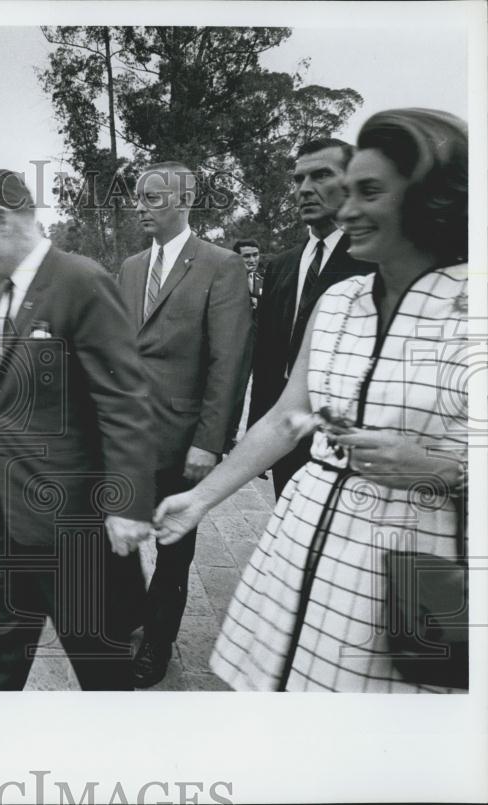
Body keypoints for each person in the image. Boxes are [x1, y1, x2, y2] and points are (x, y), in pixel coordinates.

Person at [151, 108, 469, 692]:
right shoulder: (342, 300)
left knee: (389, 715)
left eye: (368, 193)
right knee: (290, 693)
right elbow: (287, 418)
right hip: (305, 538)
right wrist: (199, 500)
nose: (345, 211)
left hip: (415, 555)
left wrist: (445, 469)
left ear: (432, 200)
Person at [0, 170, 156, 690]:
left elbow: (126, 401)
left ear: (3, 221)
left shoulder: (79, 281)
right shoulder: (2, 290)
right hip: (6, 520)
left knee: (102, 669)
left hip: (71, 530)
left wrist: (129, 505)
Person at [118, 162, 254, 688]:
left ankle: (158, 641)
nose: (140, 206)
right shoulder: (131, 267)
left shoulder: (220, 265)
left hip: (182, 440)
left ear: (185, 200)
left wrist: (209, 442)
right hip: (128, 437)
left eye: (152, 198)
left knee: (175, 551)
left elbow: (229, 361)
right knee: (116, 535)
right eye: (137, 198)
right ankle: (129, 616)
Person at [249, 139, 376, 498]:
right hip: (287, 434)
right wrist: (258, 427)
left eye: (321, 175)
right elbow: (267, 356)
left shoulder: (375, 262)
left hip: (347, 440)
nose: (305, 189)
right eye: (298, 179)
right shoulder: (282, 265)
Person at [233, 238, 265, 312]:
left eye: (255, 255)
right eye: (247, 256)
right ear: (236, 258)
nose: (252, 260)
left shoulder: (263, 282)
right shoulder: (227, 282)